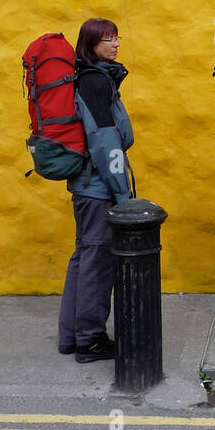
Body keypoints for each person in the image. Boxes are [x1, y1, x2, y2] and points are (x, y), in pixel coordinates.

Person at [58, 18, 134, 363]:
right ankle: (89, 340)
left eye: (117, 38)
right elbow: (105, 143)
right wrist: (123, 197)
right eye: (108, 40)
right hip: (99, 189)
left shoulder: (88, 77)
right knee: (98, 263)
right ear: (90, 46)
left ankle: (71, 336)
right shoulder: (94, 82)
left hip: (87, 187)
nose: (116, 44)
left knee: (84, 258)